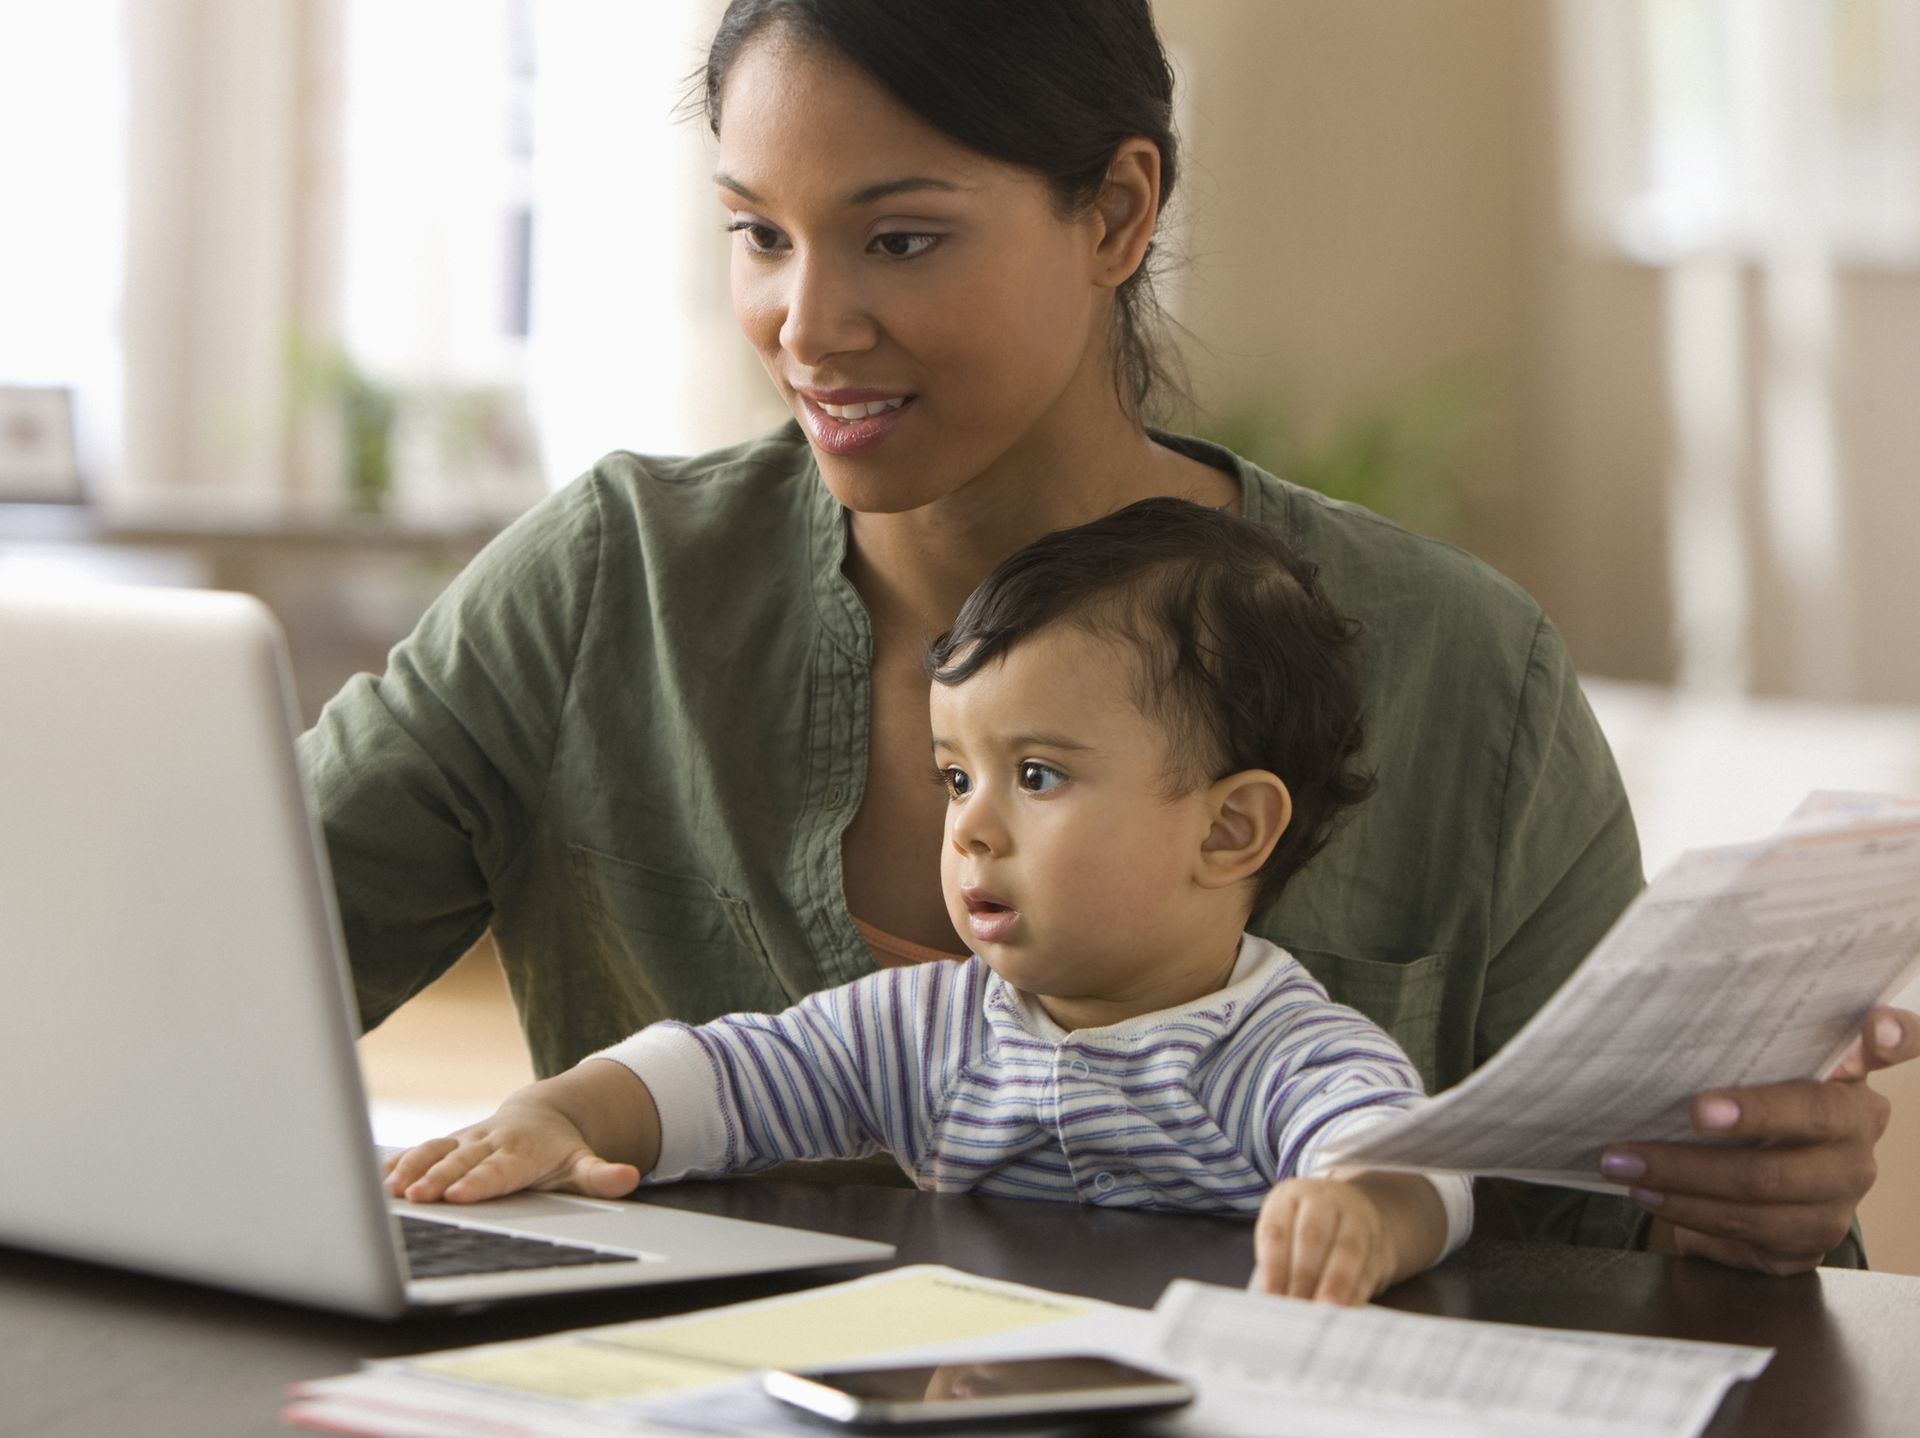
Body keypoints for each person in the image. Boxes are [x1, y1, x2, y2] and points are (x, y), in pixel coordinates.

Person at [303, 0, 1916, 1277]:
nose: (807, 323)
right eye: (758, 233)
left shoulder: (1460, 675)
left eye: (901, 237)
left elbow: (1661, 1257)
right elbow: (222, 948)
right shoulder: (607, 590)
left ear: (1120, 209)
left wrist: (1747, 1202)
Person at [386, 499, 1476, 1305]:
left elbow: (1407, 1152)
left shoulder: (1283, 1048)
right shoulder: (931, 1027)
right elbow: (728, 1070)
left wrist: (1366, 1213)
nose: (972, 827)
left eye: (1038, 775)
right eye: (959, 776)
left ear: (1229, 828)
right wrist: (564, 1113)